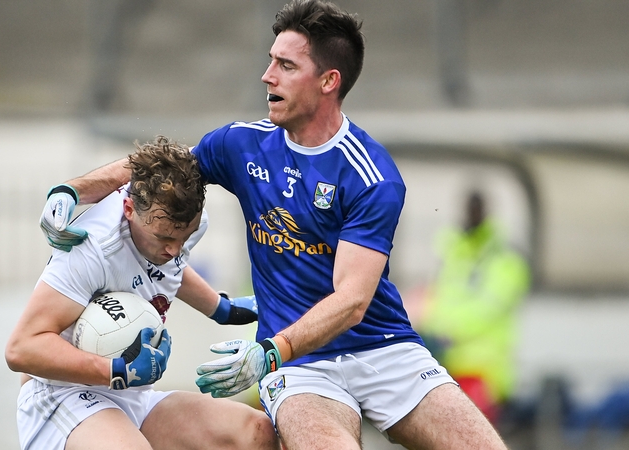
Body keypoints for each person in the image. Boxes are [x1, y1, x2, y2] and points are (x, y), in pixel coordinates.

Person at [38, 1, 508, 448]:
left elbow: (352, 301)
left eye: (286, 65)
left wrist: (269, 351)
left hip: (383, 348)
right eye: (271, 61)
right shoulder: (242, 146)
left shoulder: (371, 176)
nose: (267, 75)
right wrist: (72, 191)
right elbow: (157, 168)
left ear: (328, 81)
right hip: (302, 367)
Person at [5, 136, 278, 450]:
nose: (174, 250)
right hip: (63, 396)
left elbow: (167, 264)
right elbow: (21, 349)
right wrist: (117, 370)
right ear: (128, 209)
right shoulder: (91, 249)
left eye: (183, 238)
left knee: (254, 432)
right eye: (164, 238)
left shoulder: (180, 224)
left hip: (134, 397)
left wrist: (221, 308)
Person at [417, 191, 531, 424]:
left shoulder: (504, 256)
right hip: (445, 368)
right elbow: (437, 298)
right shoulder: (452, 250)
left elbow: (489, 308)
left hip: (485, 373)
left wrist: (444, 332)